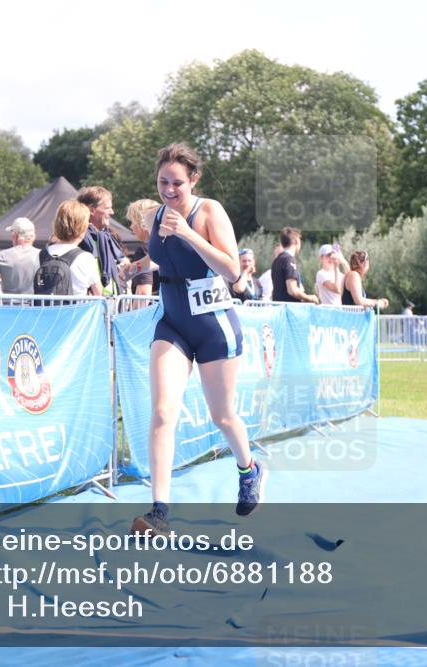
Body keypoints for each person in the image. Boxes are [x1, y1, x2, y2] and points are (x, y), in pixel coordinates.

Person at [131, 143, 266, 536]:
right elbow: (161, 255)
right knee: (161, 413)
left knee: (222, 415)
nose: (169, 190)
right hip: (172, 322)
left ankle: (249, 468)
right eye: (162, 182)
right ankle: (159, 512)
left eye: (177, 183)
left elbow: (229, 268)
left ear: (193, 180)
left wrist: (189, 233)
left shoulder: (209, 211)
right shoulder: (155, 214)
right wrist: (137, 264)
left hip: (214, 325)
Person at [42, 200, 103, 297]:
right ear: (82, 227)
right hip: (75, 311)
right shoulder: (86, 258)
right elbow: (98, 293)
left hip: (45, 311)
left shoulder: (41, 254)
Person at [76, 186, 126, 295]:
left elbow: (124, 263)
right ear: (92, 210)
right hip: (93, 303)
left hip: (112, 301)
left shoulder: (108, 236)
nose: (112, 212)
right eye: (107, 208)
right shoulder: (78, 238)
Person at [0, 217, 41, 295]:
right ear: (33, 236)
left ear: (15, 235)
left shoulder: (2, 256)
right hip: (35, 305)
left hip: (8, 305)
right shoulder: (43, 255)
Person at [121, 198, 161, 297]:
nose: (131, 226)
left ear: (142, 222)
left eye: (132, 221)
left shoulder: (145, 250)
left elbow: (143, 293)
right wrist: (135, 268)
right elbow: (154, 260)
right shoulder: (161, 243)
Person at [271, 227, 318, 304]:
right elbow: (292, 290)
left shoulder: (277, 260)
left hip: (279, 309)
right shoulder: (289, 260)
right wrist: (310, 298)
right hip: (289, 309)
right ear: (296, 241)